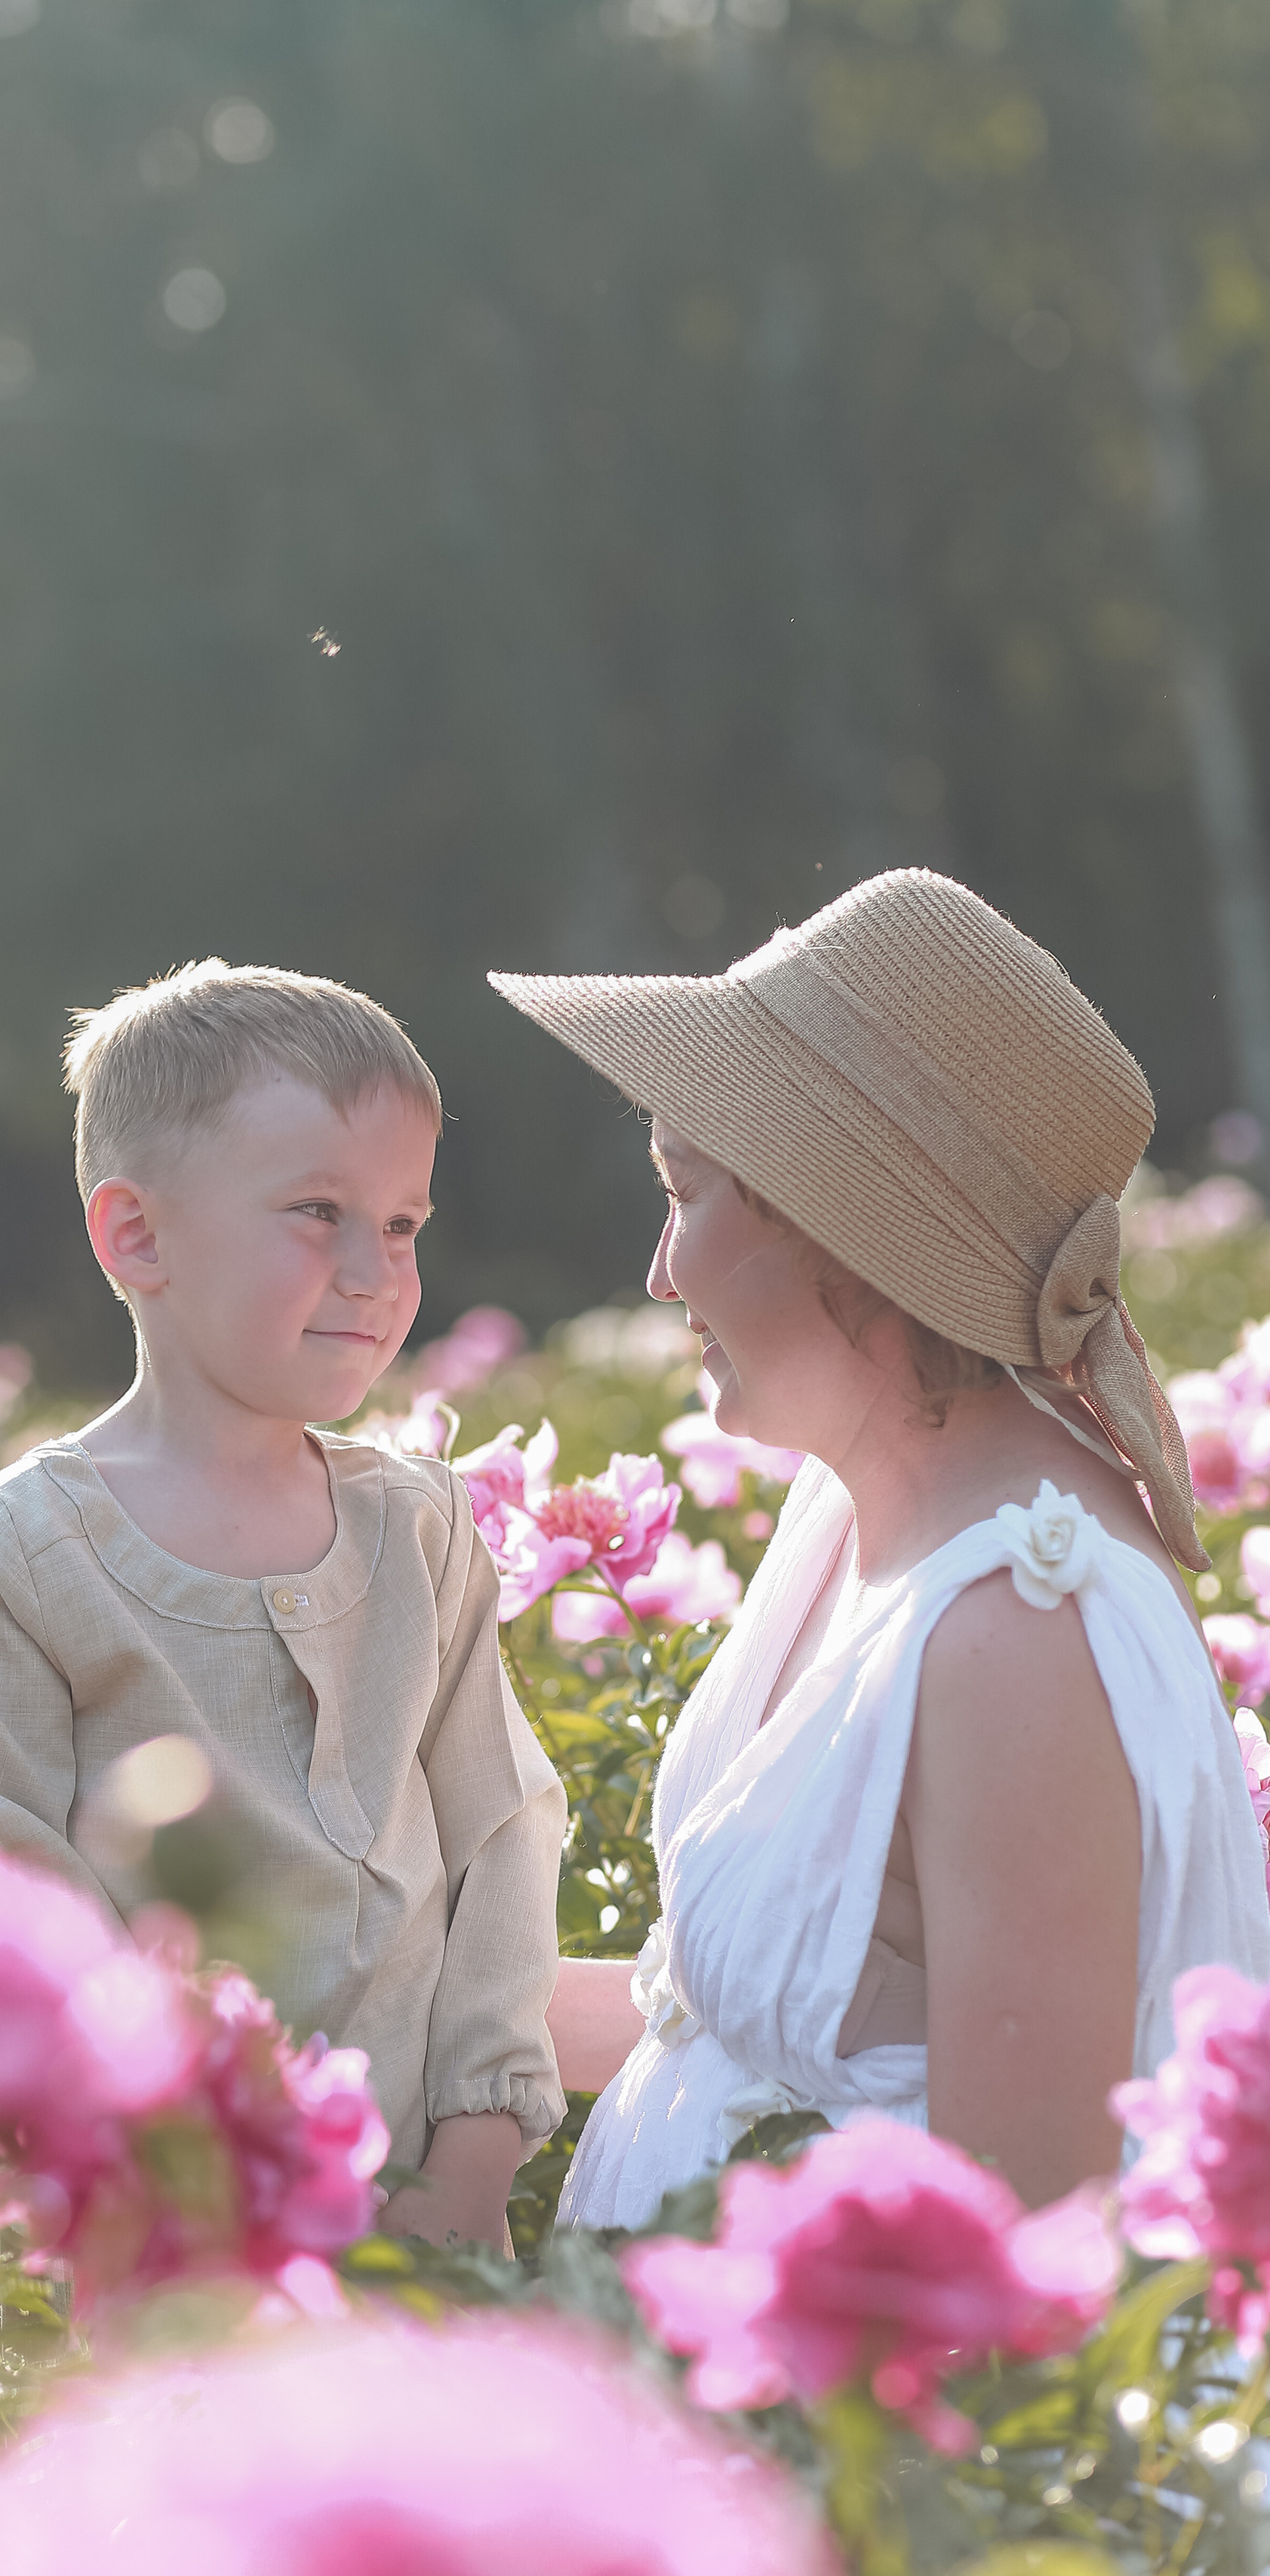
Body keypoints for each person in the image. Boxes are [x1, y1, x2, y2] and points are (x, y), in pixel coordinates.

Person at [495, 868, 1270, 2231]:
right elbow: (733, 2038)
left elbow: (1029, 2265)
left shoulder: (1024, 1631)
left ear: (847, 1231)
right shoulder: (856, 1504)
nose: (663, 1271)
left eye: (687, 1190)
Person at [0, 960, 567, 2251]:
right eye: (320, 1212)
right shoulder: (33, 1552)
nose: (375, 1272)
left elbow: (505, 1845)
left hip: (438, 2230)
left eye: (407, 1224)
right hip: (169, 2247)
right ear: (135, 1235)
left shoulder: (419, 1529)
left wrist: (474, 2165)